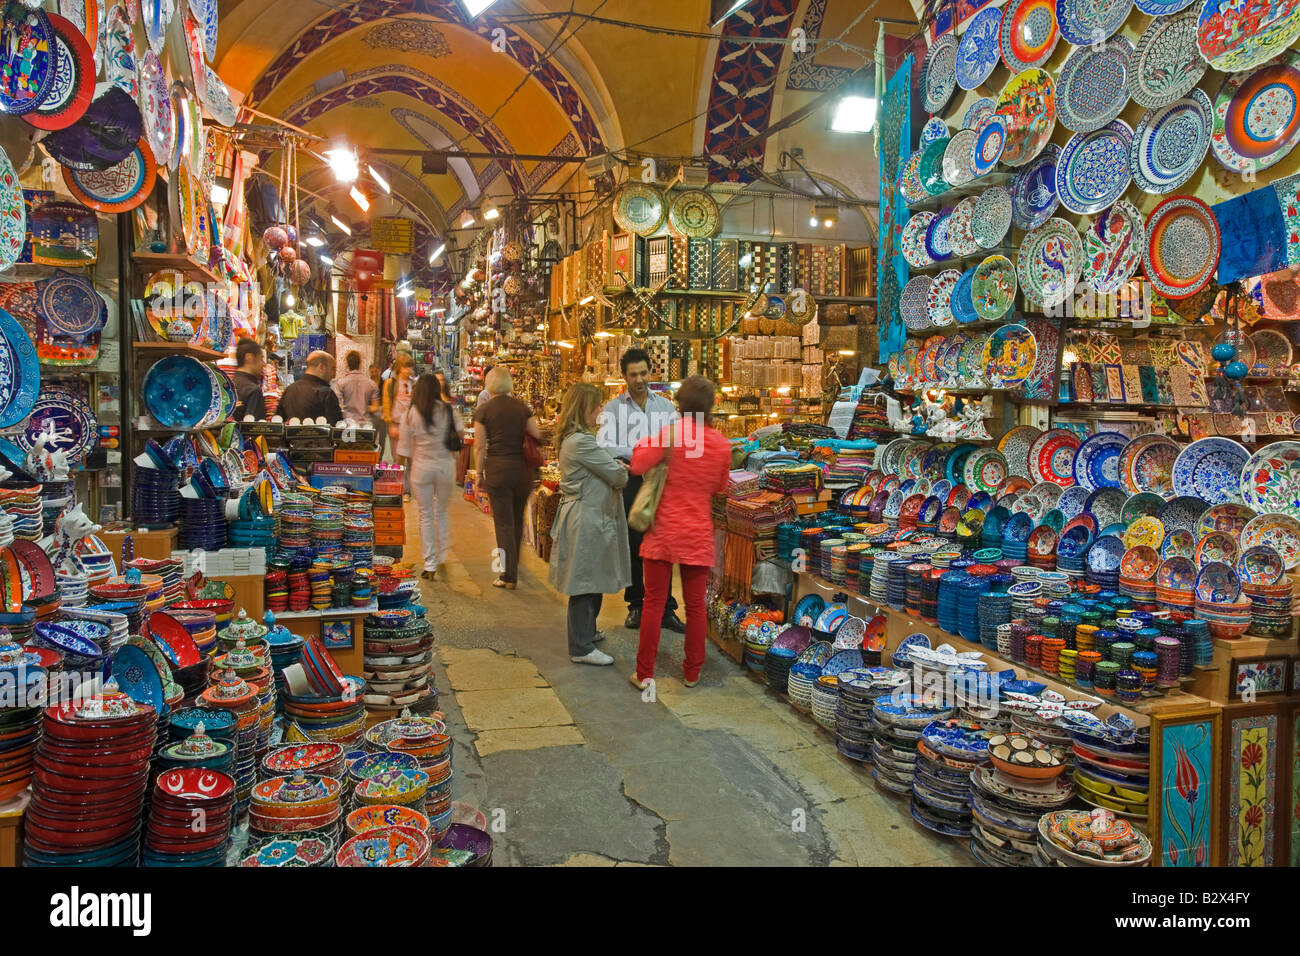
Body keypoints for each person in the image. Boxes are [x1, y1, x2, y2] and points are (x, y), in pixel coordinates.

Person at [629, 376, 731, 689]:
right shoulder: (720, 444)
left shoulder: (671, 434)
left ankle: (645, 674)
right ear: (711, 407)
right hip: (697, 532)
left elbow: (637, 465)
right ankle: (691, 672)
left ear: (680, 405)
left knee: (654, 601)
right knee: (696, 605)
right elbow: (720, 487)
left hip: (663, 530)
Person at [599, 348, 685, 634]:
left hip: (661, 480)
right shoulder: (613, 409)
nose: (639, 379)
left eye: (643, 373)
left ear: (651, 372)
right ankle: (636, 604)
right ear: (624, 376)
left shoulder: (665, 407)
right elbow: (606, 446)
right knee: (634, 543)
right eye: (633, 374)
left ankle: (666, 608)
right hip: (631, 478)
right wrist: (642, 451)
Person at [548, 383, 630, 666]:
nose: (601, 410)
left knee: (591, 577)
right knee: (584, 581)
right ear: (584, 408)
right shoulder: (582, 442)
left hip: (590, 515)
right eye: (597, 405)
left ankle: (587, 632)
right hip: (586, 518)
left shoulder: (580, 439)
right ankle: (580, 647)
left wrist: (614, 466)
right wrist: (618, 468)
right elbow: (618, 477)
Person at [473, 366, 541, 590]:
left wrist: (479, 472)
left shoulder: (485, 410)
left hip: (498, 471)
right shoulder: (522, 407)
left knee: (502, 523)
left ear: (489, 385)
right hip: (522, 472)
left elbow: (480, 446)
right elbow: (537, 434)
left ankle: (507, 574)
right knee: (517, 519)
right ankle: (513, 565)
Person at [398, 374, 464, 581]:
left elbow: (404, 449)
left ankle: (430, 562)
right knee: (441, 511)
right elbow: (461, 435)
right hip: (445, 466)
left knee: (425, 515)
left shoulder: (411, 413)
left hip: (421, 468)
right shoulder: (448, 409)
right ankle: (443, 553)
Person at [278, 350, 343, 423]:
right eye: (333, 369)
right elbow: (337, 426)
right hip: (321, 434)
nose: (334, 374)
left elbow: (278, 422)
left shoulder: (289, 390)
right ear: (321, 367)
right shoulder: (325, 393)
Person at [384, 352, 416, 489]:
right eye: (405, 367)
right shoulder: (390, 384)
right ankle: (400, 488)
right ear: (399, 367)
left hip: (411, 426)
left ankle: (406, 489)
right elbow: (386, 404)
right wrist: (390, 423)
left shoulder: (414, 384)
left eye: (409, 367)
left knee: (411, 459)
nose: (408, 370)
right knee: (398, 458)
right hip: (396, 424)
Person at [232, 338, 267, 421]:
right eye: (261, 358)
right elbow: (254, 430)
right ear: (249, 357)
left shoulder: (228, 384)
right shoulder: (253, 391)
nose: (263, 364)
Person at [368, 364, 387, 458]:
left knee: (382, 440)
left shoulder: (385, 383)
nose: (374, 374)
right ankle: (371, 458)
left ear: (380, 371)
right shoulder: (368, 384)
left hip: (383, 415)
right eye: (372, 372)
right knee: (371, 438)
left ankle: (380, 459)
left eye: (375, 371)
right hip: (371, 415)